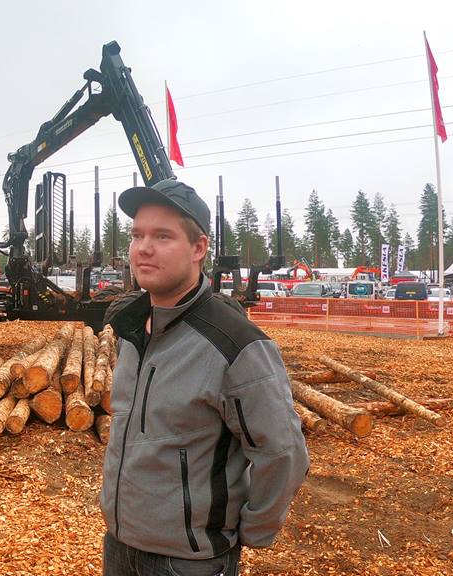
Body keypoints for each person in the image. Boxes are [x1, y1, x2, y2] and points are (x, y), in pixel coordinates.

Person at [100, 178, 309, 576]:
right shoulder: (131, 329)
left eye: (162, 236)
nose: (143, 248)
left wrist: (250, 531)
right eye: (137, 234)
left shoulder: (235, 344)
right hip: (119, 547)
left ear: (199, 248)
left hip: (187, 563)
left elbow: (283, 452)